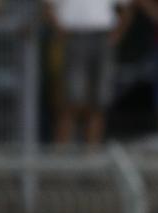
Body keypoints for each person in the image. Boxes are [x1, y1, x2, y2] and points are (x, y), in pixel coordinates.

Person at [44, 0, 134, 145]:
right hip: (73, 35)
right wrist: (60, 31)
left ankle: (91, 156)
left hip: (102, 36)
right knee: (71, 98)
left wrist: (116, 36)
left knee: (99, 100)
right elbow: (48, 7)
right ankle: (61, 156)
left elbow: (127, 8)